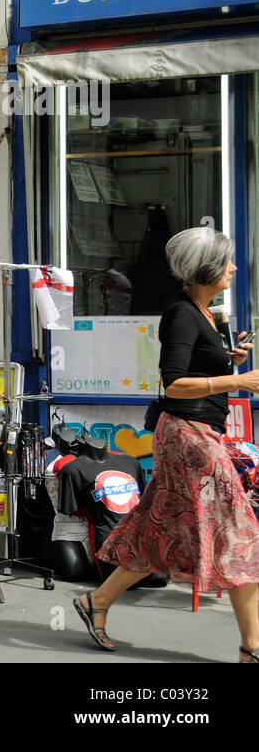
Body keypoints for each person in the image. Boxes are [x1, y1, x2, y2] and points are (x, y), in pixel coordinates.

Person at [73, 227, 259, 661]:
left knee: (159, 530)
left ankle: (95, 602)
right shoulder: (183, 313)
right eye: (227, 262)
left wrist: (227, 359)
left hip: (194, 434)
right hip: (189, 438)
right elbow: (174, 383)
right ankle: (252, 647)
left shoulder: (202, 311)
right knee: (240, 534)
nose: (233, 268)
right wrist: (238, 380)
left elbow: (192, 363)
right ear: (208, 269)